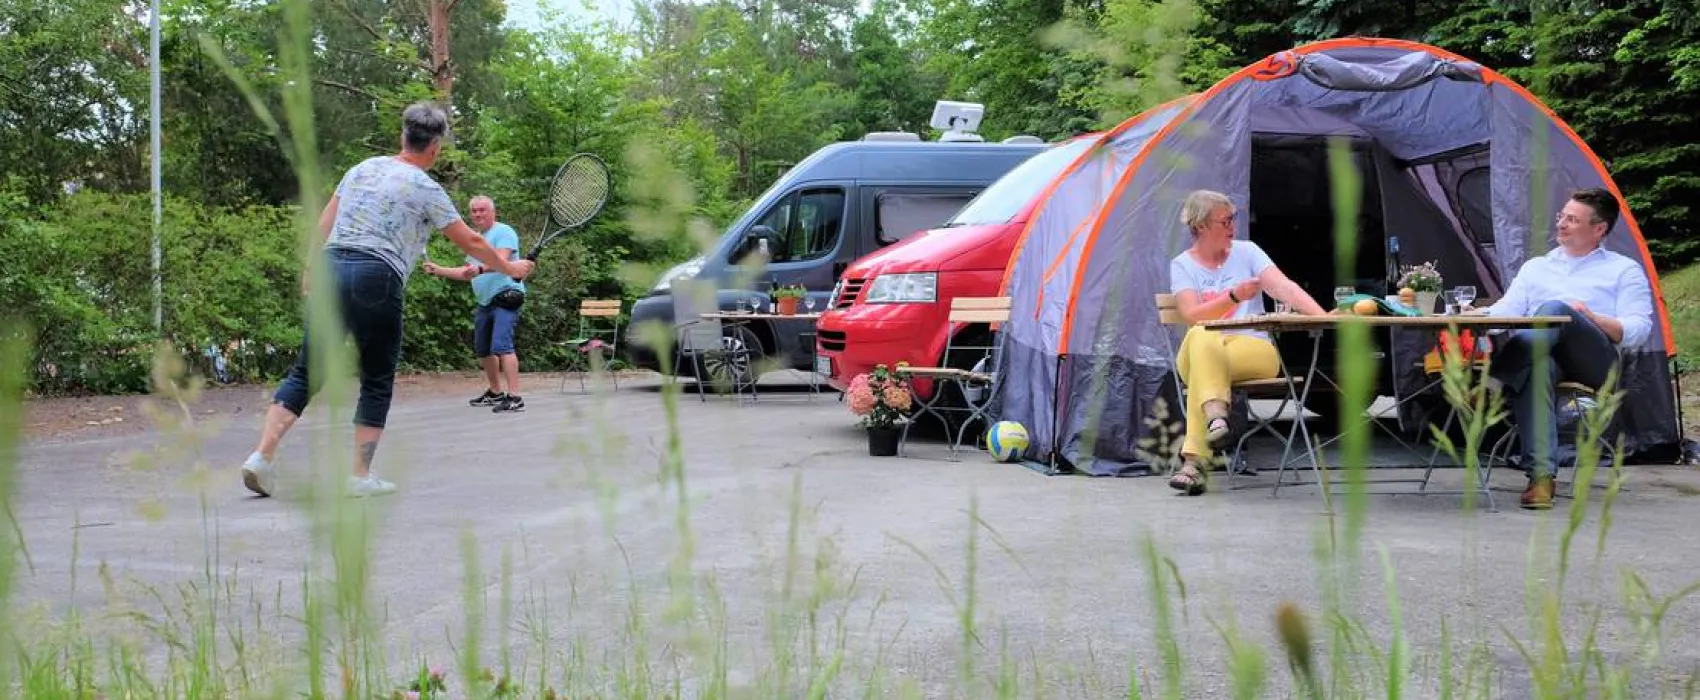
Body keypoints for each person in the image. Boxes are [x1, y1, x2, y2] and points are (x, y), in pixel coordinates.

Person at [238, 102, 535, 499]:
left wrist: (310, 267)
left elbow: (324, 222)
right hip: (376, 275)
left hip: (331, 267)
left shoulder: (362, 169)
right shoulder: (426, 188)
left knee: (306, 372)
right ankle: (359, 476)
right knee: (376, 377)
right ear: (435, 148)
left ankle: (262, 457)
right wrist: (509, 267)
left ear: (402, 136)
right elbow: (471, 241)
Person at [1480, 187, 1653, 510]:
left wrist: (1591, 317)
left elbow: (1638, 331)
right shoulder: (1536, 267)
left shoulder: (1623, 269)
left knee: (1558, 308)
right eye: (1562, 216)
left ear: (1598, 229)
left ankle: (1498, 379)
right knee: (1538, 368)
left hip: (1596, 363)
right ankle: (1541, 478)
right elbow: (1506, 312)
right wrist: (1470, 315)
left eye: (1572, 220)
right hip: (1543, 356)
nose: (1560, 224)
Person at [1165, 189, 1329, 495]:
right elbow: (1191, 315)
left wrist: (1323, 316)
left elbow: (1284, 288)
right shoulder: (1182, 265)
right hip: (1202, 351)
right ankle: (1214, 415)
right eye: (1225, 221)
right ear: (1200, 226)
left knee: (1203, 357)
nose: (1233, 227)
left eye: (1233, 218)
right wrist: (1234, 296)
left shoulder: (1248, 252)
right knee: (1202, 333)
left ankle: (1195, 459)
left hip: (1253, 350)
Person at [423, 195, 528, 413]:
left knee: (503, 346)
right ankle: (495, 392)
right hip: (485, 301)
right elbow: (467, 273)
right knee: (483, 349)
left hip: (507, 295)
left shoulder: (504, 232)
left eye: (482, 210)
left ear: (493, 212)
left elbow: (502, 260)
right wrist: (439, 270)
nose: (478, 214)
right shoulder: (475, 240)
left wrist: (480, 269)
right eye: (474, 211)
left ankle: (515, 397)